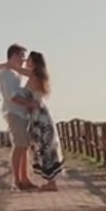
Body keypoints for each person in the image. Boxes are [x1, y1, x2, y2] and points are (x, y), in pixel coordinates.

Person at [0, 44, 37, 191]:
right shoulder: (7, 74)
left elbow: (33, 73)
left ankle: (25, 178)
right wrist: (30, 104)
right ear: (14, 55)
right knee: (19, 146)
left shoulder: (14, 72)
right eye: (22, 56)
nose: (24, 59)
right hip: (14, 113)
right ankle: (18, 180)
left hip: (21, 113)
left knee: (24, 147)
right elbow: (12, 96)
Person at [25, 51, 64, 190]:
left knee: (45, 147)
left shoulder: (34, 75)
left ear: (34, 62)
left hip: (39, 116)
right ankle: (50, 182)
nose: (25, 61)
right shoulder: (37, 75)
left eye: (28, 59)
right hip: (38, 115)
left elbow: (19, 70)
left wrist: (4, 65)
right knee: (44, 146)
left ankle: (51, 183)